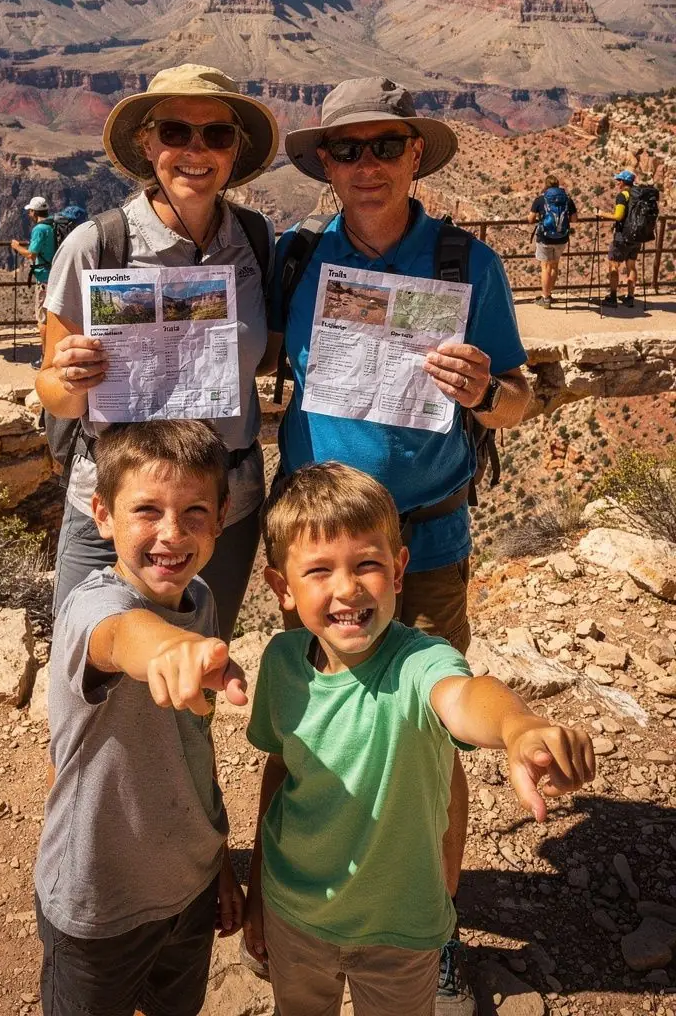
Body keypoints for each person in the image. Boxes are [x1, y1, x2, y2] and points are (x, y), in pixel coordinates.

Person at [266, 76, 530, 1013]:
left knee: (426, 747)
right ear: (325, 164)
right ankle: (297, 903)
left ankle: (434, 929)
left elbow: (520, 395)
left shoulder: (465, 262)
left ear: (416, 153)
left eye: (385, 146)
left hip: (424, 543)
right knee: (302, 725)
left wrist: (484, 392)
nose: (367, 164)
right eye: (348, 149)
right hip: (310, 545)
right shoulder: (297, 263)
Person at [242, 462, 596, 1016]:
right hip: (293, 914)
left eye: (367, 564)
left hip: (399, 931)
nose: (347, 587)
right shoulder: (282, 663)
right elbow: (279, 772)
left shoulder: (419, 661)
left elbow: (465, 695)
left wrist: (517, 726)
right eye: (319, 571)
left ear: (399, 570)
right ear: (281, 587)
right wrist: (260, 898)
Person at [37, 63, 279, 639]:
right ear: (148, 144)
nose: (195, 150)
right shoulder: (97, 244)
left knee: (201, 665)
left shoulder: (257, 238)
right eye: (175, 133)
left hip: (224, 503)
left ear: (235, 150)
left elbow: (264, 360)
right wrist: (70, 380)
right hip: (116, 507)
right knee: (89, 665)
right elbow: (51, 391)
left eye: (216, 135)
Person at [35, 420, 247, 1016]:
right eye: (146, 510)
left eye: (195, 511)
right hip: (99, 903)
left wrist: (218, 863)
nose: (171, 535)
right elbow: (123, 635)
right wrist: (167, 650)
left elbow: (191, 749)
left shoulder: (199, 599)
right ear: (102, 514)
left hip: (190, 888)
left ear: (224, 514)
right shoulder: (91, 609)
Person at [11, 196, 56, 367]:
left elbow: (31, 254)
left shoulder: (40, 229)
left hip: (44, 278)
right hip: (56, 275)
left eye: (30, 211)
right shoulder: (53, 225)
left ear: (34, 212)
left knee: (43, 319)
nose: (29, 214)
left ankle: (45, 357)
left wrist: (16, 247)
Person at [529, 177, 577, 308]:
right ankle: (549, 294)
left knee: (545, 267)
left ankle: (545, 298)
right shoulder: (567, 199)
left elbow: (530, 219)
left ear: (546, 185)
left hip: (545, 238)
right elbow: (574, 219)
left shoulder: (541, 199)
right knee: (554, 266)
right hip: (561, 238)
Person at [600, 170, 638, 308]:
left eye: (618, 180)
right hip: (636, 236)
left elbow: (618, 216)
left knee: (614, 265)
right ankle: (630, 297)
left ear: (622, 182)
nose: (617, 183)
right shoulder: (638, 195)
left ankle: (613, 297)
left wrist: (602, 213)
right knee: (631, 266)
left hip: (622, 235)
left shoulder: (623, 196)